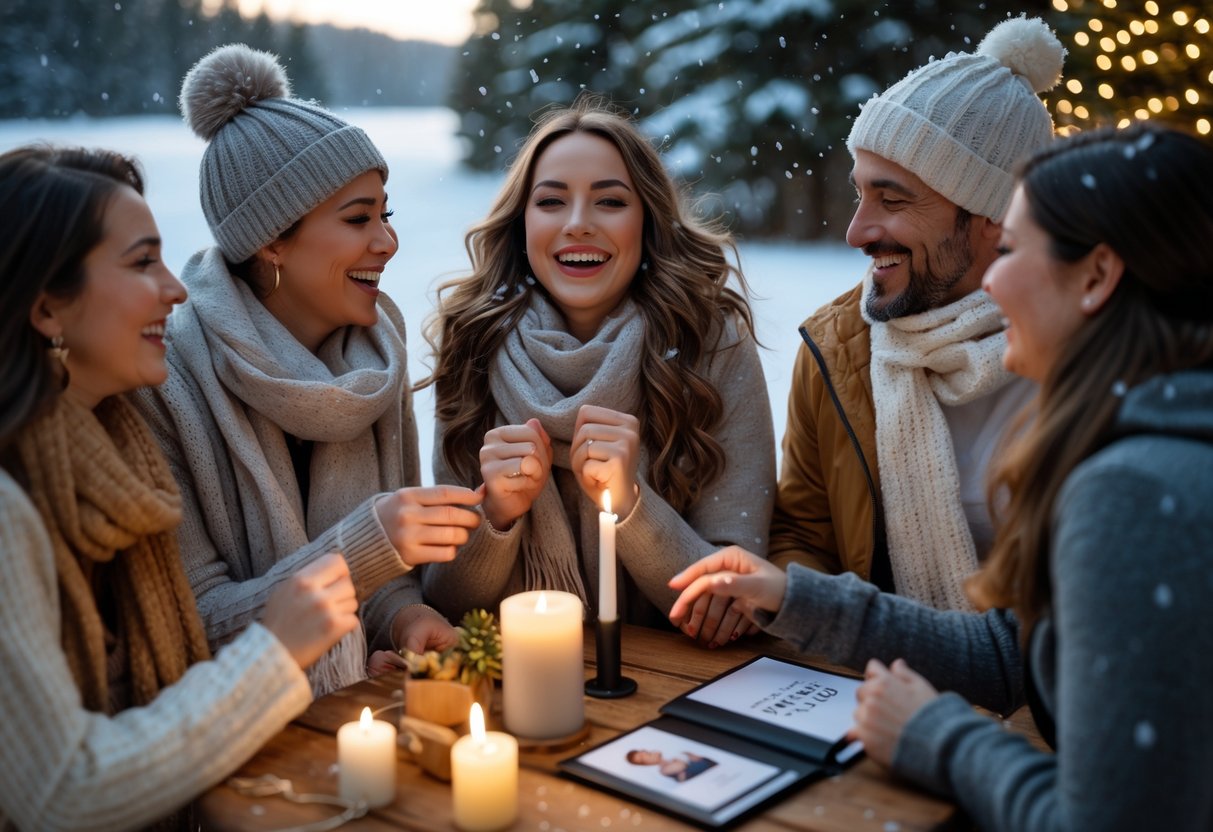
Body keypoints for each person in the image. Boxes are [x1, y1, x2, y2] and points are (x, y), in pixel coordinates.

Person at [669, 122, 1213, 831]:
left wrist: (936, 736)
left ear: (1098, 276)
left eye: (1012, 250)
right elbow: (1011, 648)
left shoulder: (1134, 491)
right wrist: (791, 595)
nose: (991, 280)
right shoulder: (1143, 436)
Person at [0, 145, 360, 830]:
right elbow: (63, 793)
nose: (175, 288)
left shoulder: (116, 461)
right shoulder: (10, 507)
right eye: (142, 263)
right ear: (48, 309)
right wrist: (274, 653)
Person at [133, 44, 481, 697]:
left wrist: (402, 615)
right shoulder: (165, 371)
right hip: (222, 743)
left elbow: (383, 582)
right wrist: (361, 549)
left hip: (345, 726)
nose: (387, 242)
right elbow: (192, 624)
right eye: (357, 219)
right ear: (271, 240)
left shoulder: (377, 349)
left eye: (387, 214)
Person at [420, 97, 775, 643]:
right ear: (521, 225)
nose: (579, 224)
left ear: (647, 221)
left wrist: (632, 505)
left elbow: (728, 603)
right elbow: (444, 602)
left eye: (610, 201)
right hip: (510, 684)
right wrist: (496, 515)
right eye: (551, 202)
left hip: (676, 684)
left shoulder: (710, 341)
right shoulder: (473, 343)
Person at [763, 16, 1066, 614]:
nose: (856, 232)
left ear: (993, 218)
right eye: (860, 193)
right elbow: (802, 535)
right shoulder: (838, 348)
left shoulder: (1081, 360)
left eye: (892, 199)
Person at [626, 749, 718, 783]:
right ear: (646, 764)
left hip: (716, 767)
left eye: (641, 752)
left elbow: (698, 758)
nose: (645, 753)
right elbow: (682, 765)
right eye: (642, 759)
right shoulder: (663, 770)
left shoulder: (672, 752)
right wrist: (685, 755)